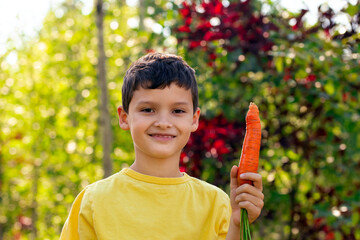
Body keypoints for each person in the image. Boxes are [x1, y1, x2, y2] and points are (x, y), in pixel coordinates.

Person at [60, 52, 264, 239]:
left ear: (194, 119)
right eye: (148, 109)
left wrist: (237, 225)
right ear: (124, 117)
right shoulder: (94, 201)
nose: (164, 122)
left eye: (177, 111)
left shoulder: (216, 203)